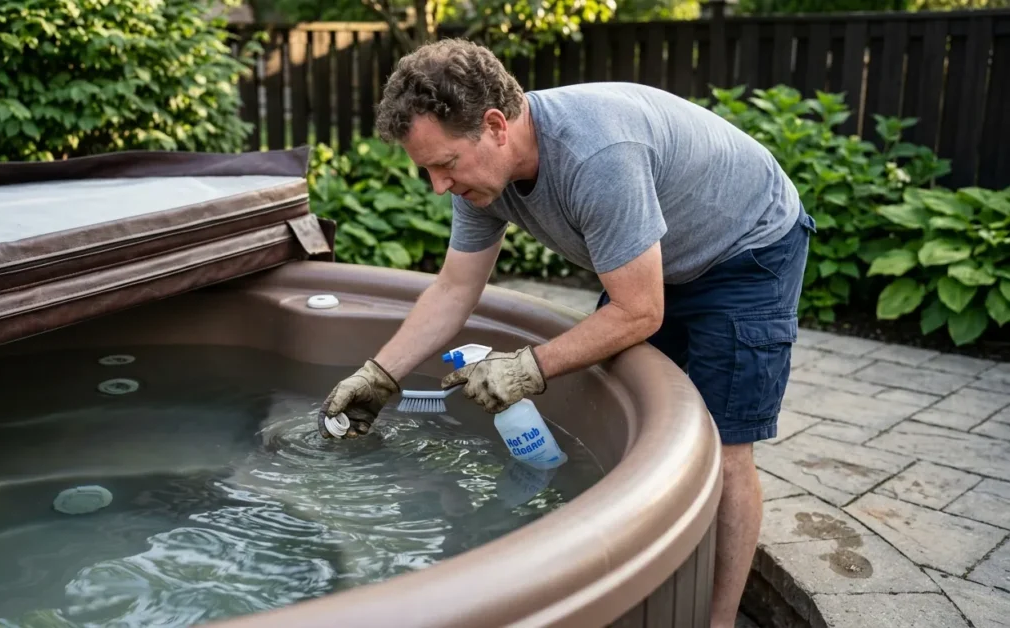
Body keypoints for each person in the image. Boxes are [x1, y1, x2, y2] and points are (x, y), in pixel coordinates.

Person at [316, 37, 814, 627]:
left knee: (726, 448)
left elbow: (638, 311)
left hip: (746, 250)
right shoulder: (481, 179)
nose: (438, 187)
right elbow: (454, 290)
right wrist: (378, 377)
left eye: (444, 165)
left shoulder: (595, 154)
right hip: (660, 259)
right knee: (645, 417)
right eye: (427, 169)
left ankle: (718, 622)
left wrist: (527, 367)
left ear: (496, 125)